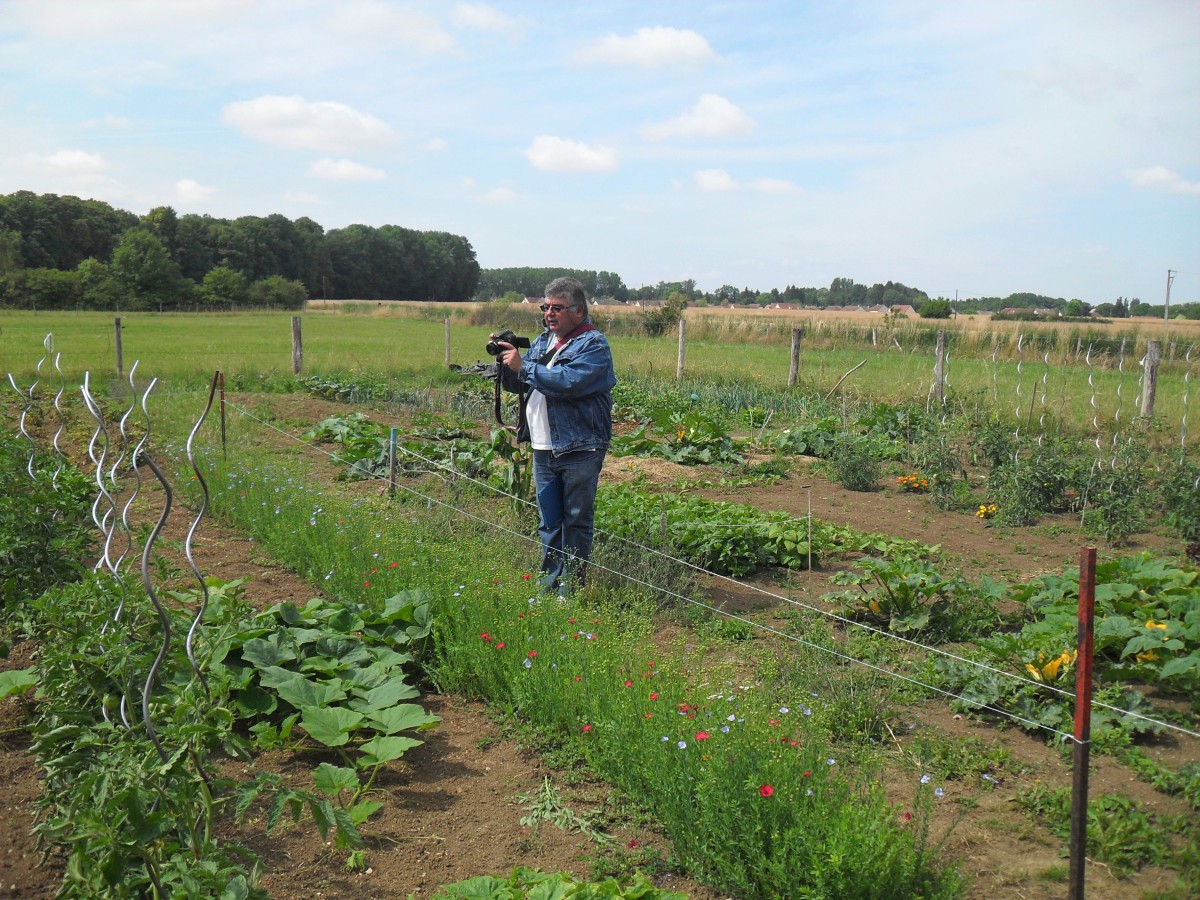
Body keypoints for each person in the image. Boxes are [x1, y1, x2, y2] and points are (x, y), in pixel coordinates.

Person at [492, 277, 616, 595]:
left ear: (577, 310)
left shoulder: (594, 344)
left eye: (556, 308)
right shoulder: (543, 341)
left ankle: (569, 592)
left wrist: (525, 367)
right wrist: (508, 363)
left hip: (579, 446)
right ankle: (549, 588)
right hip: (544, 447)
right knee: (549, 522)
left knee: (575, 521)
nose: (549, 313)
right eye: (545, 307)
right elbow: (521, 384)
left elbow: (569, 381)